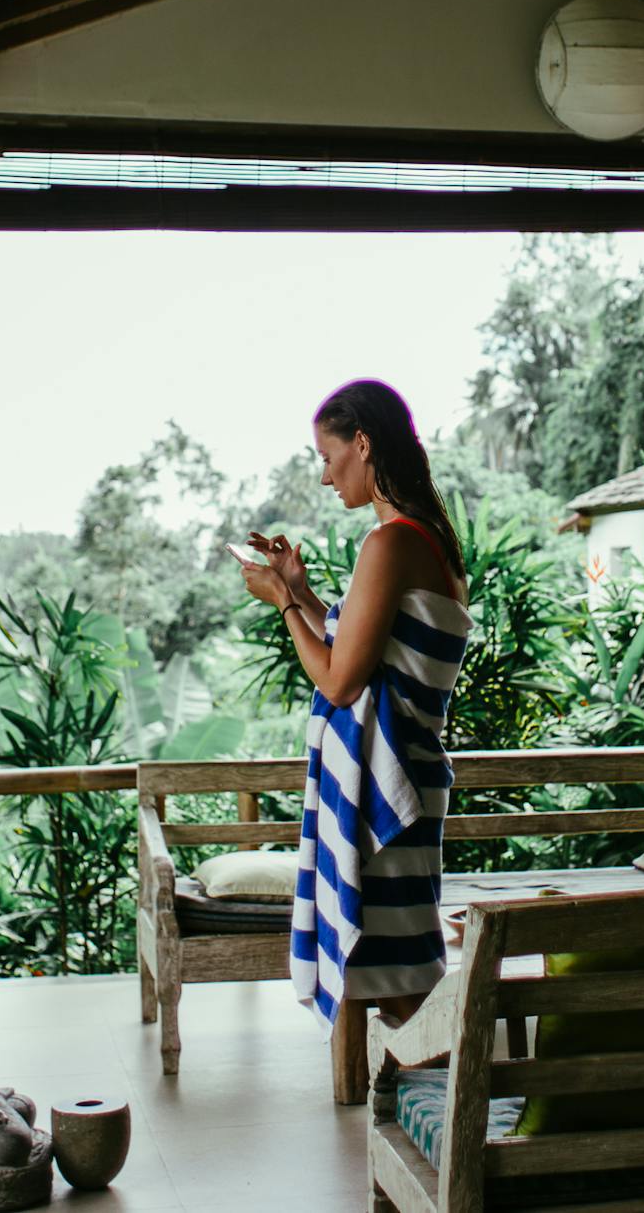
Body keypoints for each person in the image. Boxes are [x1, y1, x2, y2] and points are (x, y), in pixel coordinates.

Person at [236, 379, 471, 1031]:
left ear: (362, 444)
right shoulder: (427, 540)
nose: (322, 476)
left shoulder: (391, 543)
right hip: (410, 774)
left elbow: (339, 681)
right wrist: (301, 588)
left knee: (401, 982)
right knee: (395, 969)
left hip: (390, 784)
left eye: (326, 455)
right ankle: (434, 1103)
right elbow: (363, 652)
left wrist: (281, 604)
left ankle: (453, 1103)